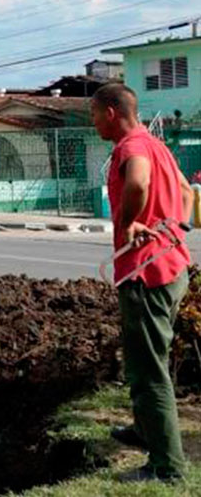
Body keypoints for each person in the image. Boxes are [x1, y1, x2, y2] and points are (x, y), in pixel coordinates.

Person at [90, 83, 193, 482]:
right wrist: (175, 228)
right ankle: (144, 429)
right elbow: (186, 192)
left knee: (150, 371)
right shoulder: (157, 144)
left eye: (95, 114)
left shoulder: (132, 147)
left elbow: (137, 183)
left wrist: (130, 221)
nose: (94, 122)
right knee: (143, 358)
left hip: (145, 273)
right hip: (171, 267)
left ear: (112, 112)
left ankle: (168, 468)